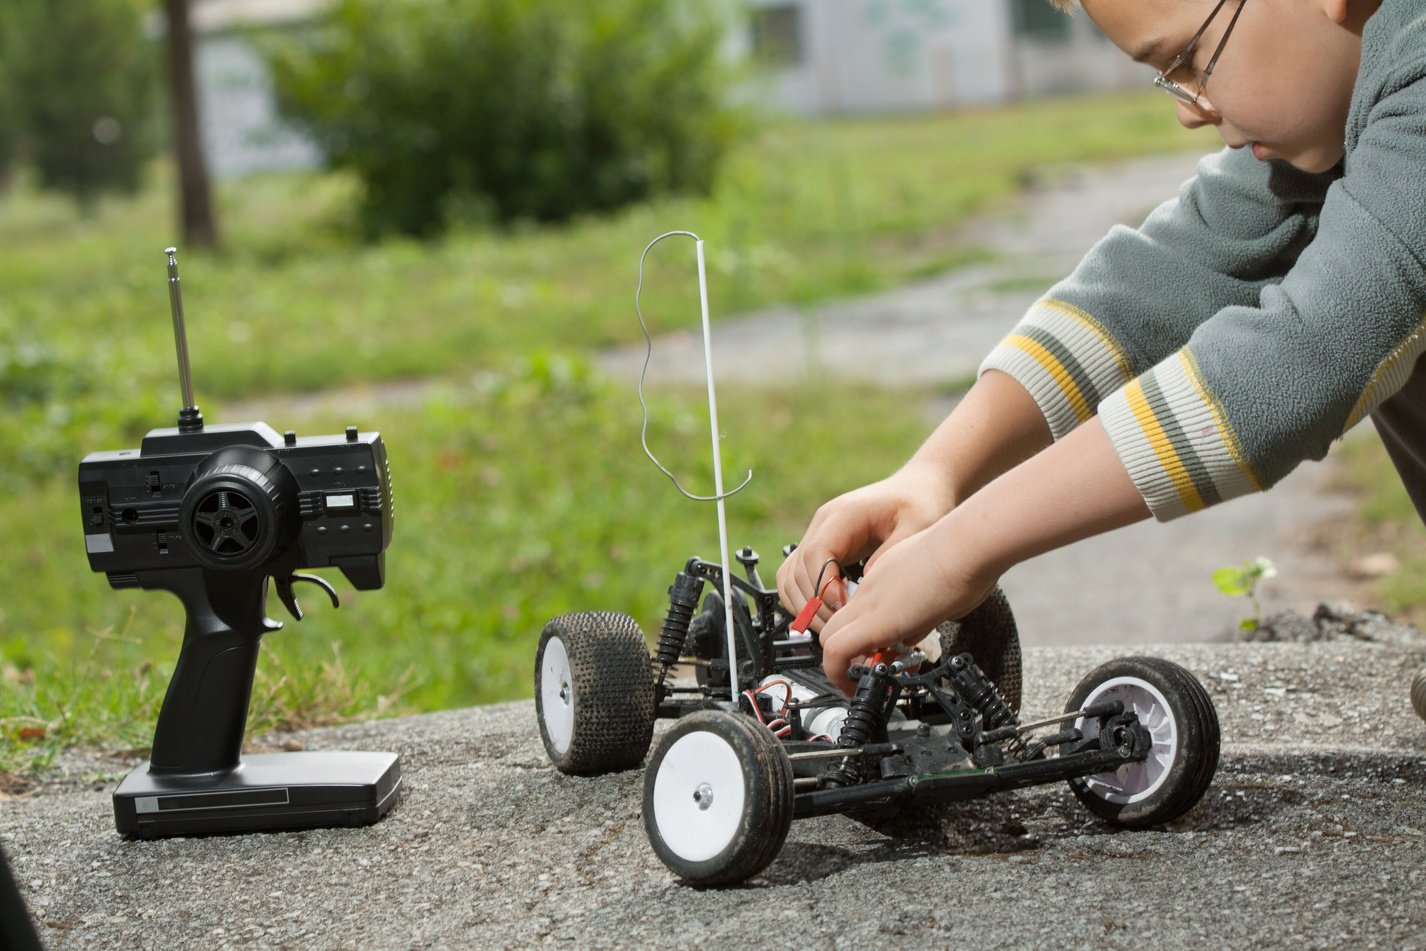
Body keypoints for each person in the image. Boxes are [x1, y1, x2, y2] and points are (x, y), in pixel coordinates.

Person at [777, 0, 1426, 695]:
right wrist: (934, 473)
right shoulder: (1344, 107)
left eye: (1194, 60)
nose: (1190, 107)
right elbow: (1159, 282)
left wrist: (961, 549)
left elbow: (1303, 359)